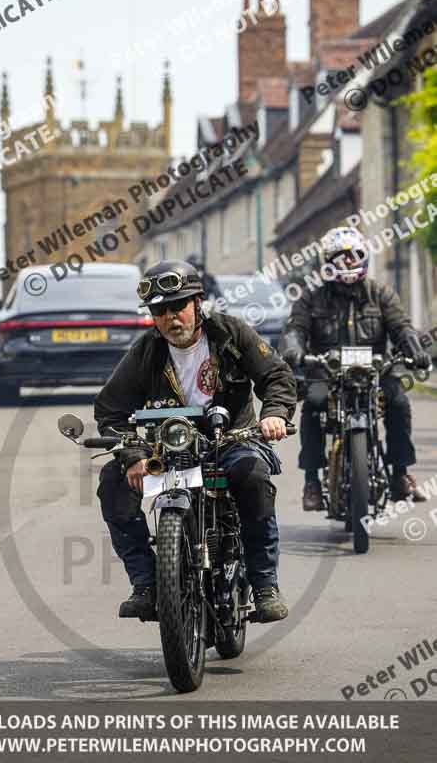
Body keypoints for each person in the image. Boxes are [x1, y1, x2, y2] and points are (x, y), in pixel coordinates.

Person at [94, 259, 297, 622]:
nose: (170, 317)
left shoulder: (231, 333)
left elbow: (277, 376)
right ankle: (145, 583)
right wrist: (134, 454)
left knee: (252, 475)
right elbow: (110, 410)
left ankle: (264, 583)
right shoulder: (145, 352)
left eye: (177, 307)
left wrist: (275, 414)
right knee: (113, 481)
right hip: (169, 452)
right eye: (159, 311)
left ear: (197, 302)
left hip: (233, 442)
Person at [280, 226, 432, 511]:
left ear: (364, 257)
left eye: (354, 255)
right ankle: (312, 481)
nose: (348, 262)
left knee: (398, 403)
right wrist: (293, 348)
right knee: (312, 404)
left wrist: (416, 350)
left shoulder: (380, 293)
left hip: (375, 372)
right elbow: (295, 328)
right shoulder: (311, 298)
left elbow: (402, 327)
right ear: (328, 261)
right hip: (328, 372)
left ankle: (400, 474)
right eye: (340, 256)